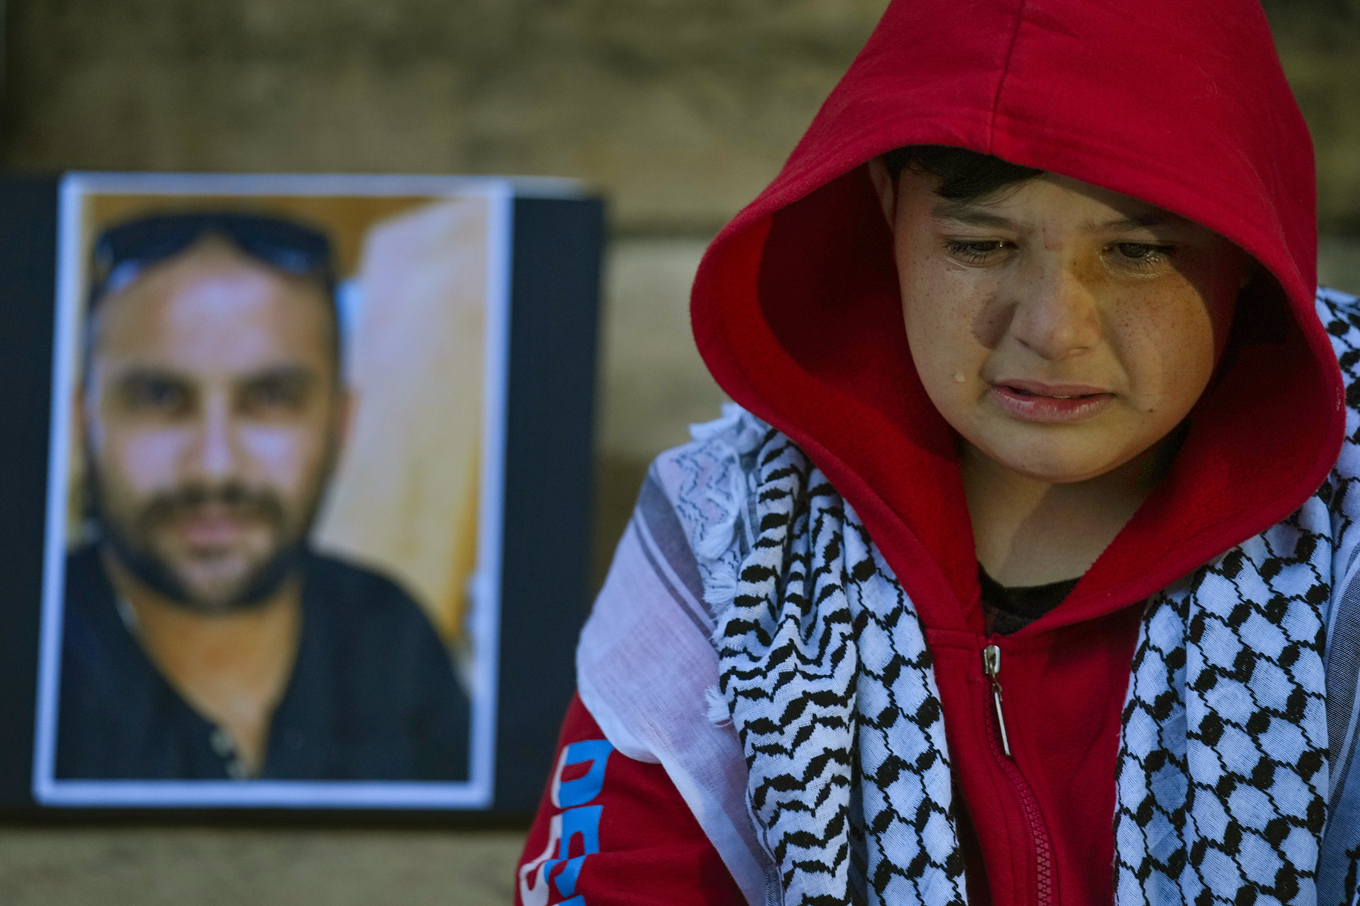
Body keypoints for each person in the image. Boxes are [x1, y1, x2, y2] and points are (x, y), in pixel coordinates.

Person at [516, 0, 1360, 902]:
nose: (1052, 329)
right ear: (886, 203)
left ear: (1249, 249)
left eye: (1140, 253)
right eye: (982, 244)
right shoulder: (733, 533)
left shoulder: (1343, 526)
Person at [57, 211, 470, 782]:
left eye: (271, 398)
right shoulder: (31, 648)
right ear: (83, 422)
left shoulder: (390, 636)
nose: (213, 466)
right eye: (159, 396)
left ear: (341, 424)